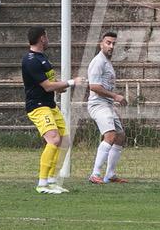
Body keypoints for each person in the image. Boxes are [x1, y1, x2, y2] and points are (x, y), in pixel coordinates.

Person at [22, 25, 84, 194]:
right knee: (54, 139)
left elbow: (51, 83)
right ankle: (42, 184)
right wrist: (71, 82)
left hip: (50, 105)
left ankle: (52, 181)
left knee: (64, 141)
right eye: (46, 36)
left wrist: (60, 87)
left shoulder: (42, 57)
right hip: (38, 106)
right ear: (42, 38)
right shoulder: (30, 60)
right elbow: (47, 86)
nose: (48, 39)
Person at [87, 30, 130, 184]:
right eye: (108, 43)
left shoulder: (107, 62)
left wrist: (112, 103)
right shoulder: (98, 62)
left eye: (113, 43)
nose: (111, 46)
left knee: (120, 136)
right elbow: (94, 86)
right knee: (110, 135)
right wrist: (115, 96)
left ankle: (110, 174)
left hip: (107, 105)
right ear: (101, 44)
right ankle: (95, 174)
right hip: (98, 105)